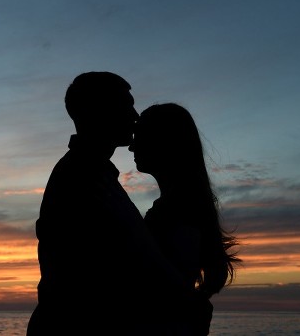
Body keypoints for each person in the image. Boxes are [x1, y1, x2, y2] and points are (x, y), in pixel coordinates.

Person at [27, 72, 199, 335]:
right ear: (96, 111)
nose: (135, 115)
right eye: (126, 105)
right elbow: (99, 274)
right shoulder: (83, 178)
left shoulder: (94, 174)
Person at [129, 103, 241, 335]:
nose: (131, 147)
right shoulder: (180, 204)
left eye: (139, 137)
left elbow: (170, 284)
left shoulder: (179, 208)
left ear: (164, 142)